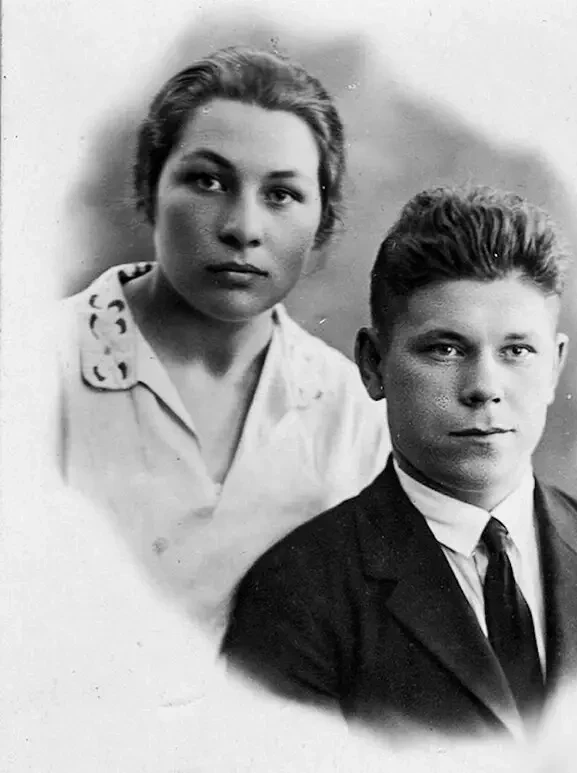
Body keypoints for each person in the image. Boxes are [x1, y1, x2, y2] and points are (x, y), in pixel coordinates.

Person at [223, 186, 577, 738]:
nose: (484, 388)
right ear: (373, 365)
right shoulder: (294, 595)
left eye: (516, 351)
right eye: (445, 349)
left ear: (554, 367)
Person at [57, 46, 389, 631]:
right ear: (149, 188)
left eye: (282, 194)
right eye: (207, 181)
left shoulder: (351, 413)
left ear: (322, 221)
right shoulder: (34, 363)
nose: (242, 228)